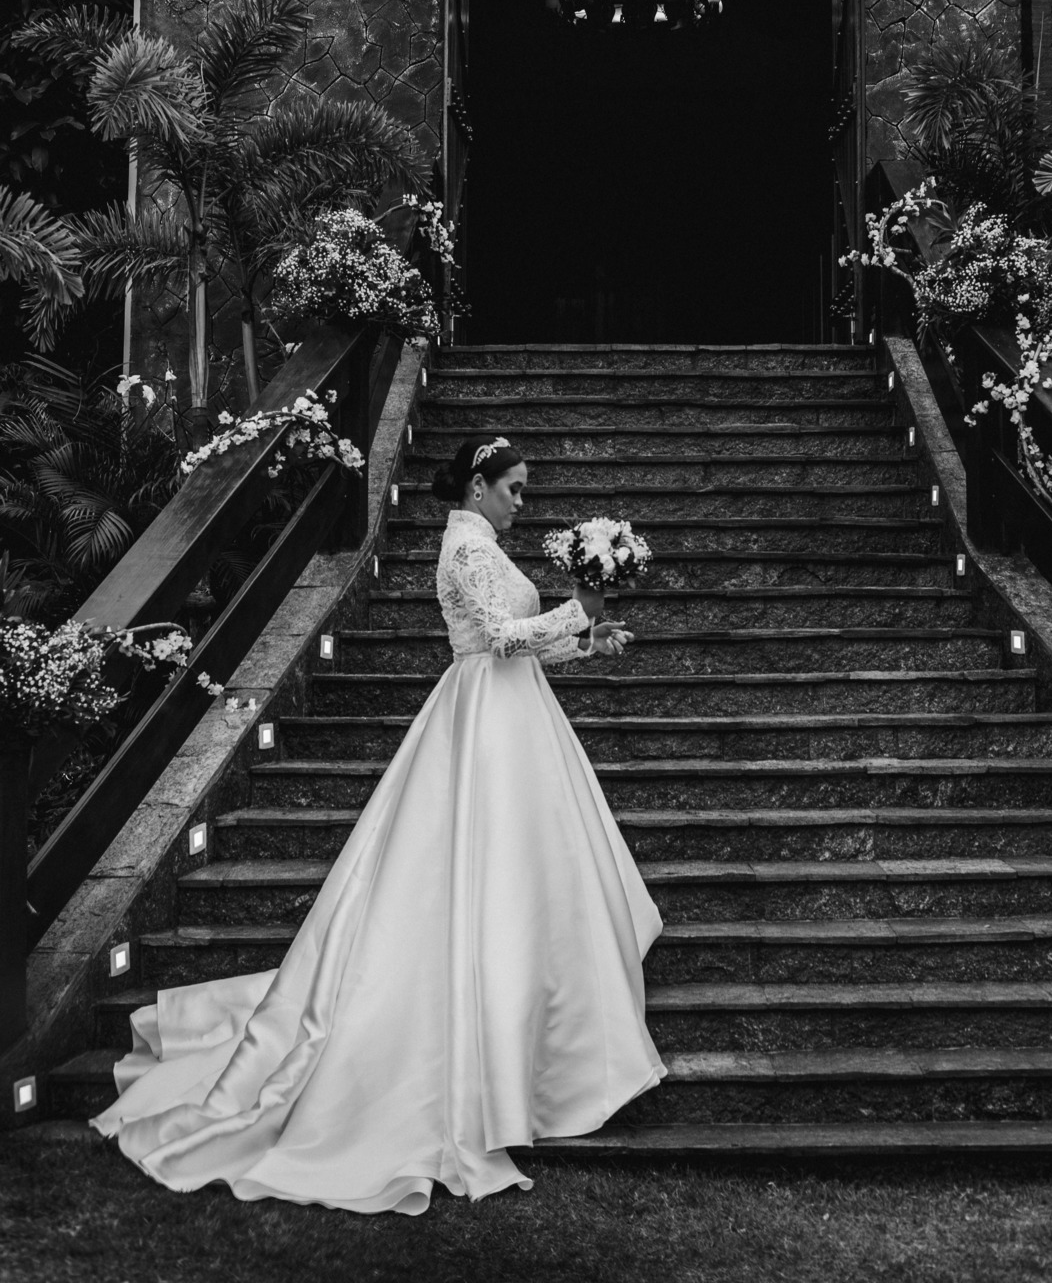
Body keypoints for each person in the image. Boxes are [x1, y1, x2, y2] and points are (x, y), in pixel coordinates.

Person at [91, 433, 665, 1214]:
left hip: (513, 714)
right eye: (516, 488)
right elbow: (498, 640)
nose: (523, 501)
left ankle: (546, 1036)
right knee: (484, 872)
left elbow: (518, 651)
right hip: (482, 724)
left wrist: (586, 641)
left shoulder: (486, 546)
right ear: (478, 486)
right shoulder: (465, 549)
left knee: (532, 875)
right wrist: (577, 607)